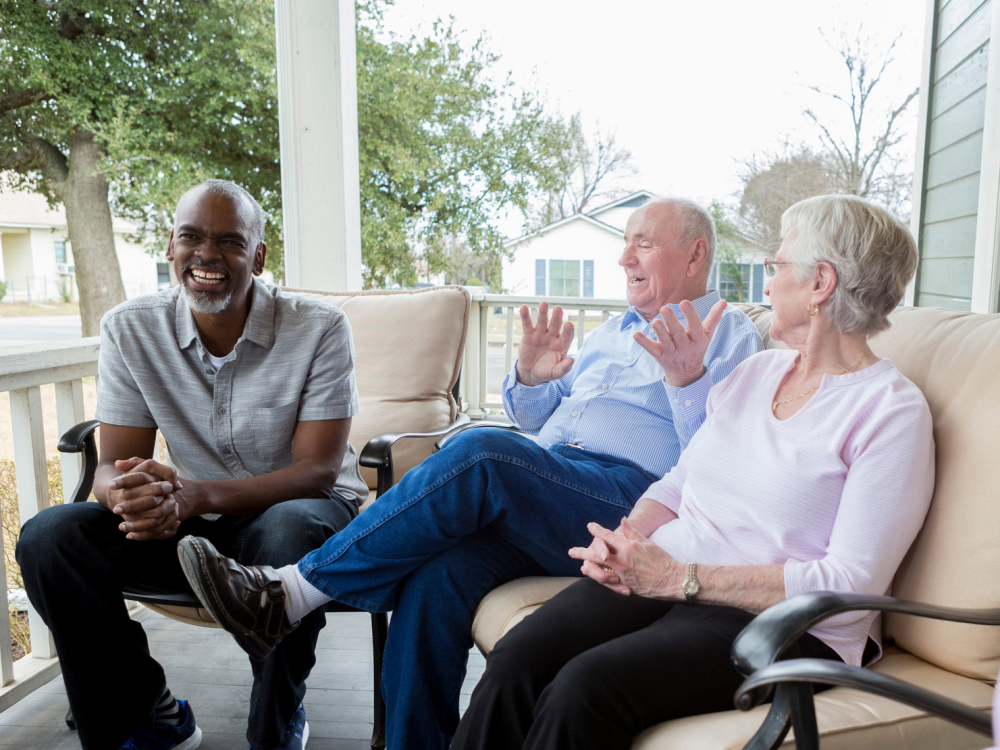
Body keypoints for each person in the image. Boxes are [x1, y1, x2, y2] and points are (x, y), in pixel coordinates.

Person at [176, 197, 764, 750]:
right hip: (557, 487)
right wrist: (533, 381)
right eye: (626, 243)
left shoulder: (729, 334)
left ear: (695, 255)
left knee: (484, 452)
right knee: (434, 578)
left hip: (630, 504)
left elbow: (718, 460)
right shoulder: (611, 333)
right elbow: (535, 421)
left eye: (642, 243)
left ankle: (291, 593)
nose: (623, 257)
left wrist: (686, 382)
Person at [448, 193, 937, 750]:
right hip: (672, 575)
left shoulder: (889, 411)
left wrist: (681, 579)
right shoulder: (758, 372)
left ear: (821, 283)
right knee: (521, 657)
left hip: (781, 621)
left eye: (776, 268)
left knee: (584, 688)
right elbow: (682, 478)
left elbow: (853, 582)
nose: (767, 284)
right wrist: (627, 541)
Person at [16, 180, 368, 750]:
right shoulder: (131, 329)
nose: (207, 254)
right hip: (191, 527)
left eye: (229, 241)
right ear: (171, 246)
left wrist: (197, 496)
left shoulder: (319, 328)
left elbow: (318, 473)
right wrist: (127, 495)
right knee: (49, 538)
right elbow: (110, 467)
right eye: (191, 237)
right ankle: (142, 714)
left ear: (258, 255)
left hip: (299, 518)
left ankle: (274, 724)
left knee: (290, 526)